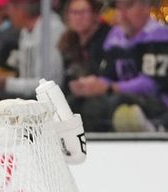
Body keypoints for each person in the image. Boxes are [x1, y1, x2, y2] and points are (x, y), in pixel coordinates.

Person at [69, 0, 168, 132]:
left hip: (157, 103)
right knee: (76, 102)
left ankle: (152, 127)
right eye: (118, 7)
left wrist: (109, 88)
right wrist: (90, 85)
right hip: (117, 99)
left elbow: (152, 84)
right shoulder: (115, 36)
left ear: (146, 7)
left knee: (120, 102)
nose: (122, 13)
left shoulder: (159, 35)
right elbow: (108, 75)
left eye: (129, 6)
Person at [0, 0, 66, 98]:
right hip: (30, 98)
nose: (6, 13)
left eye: (8, 8)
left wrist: (7, 84)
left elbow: (50, 84)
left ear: (22, 7)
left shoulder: (50, 28)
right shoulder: (25, 30)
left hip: (52, 102)